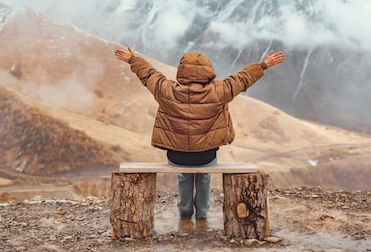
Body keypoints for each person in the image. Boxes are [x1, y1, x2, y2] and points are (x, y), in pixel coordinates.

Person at [113, 46, 285, 220]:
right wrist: (263, 65)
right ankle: (202, 214)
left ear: (182, 71)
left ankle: (185, 212)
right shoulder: (220, 91)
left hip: (177, 156)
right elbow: (242, 79)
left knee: (184, 176)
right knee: (204, 176)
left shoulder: (166, 90)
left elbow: (149, 74)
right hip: (206, 156)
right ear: (208, 70)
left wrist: (132, 59)